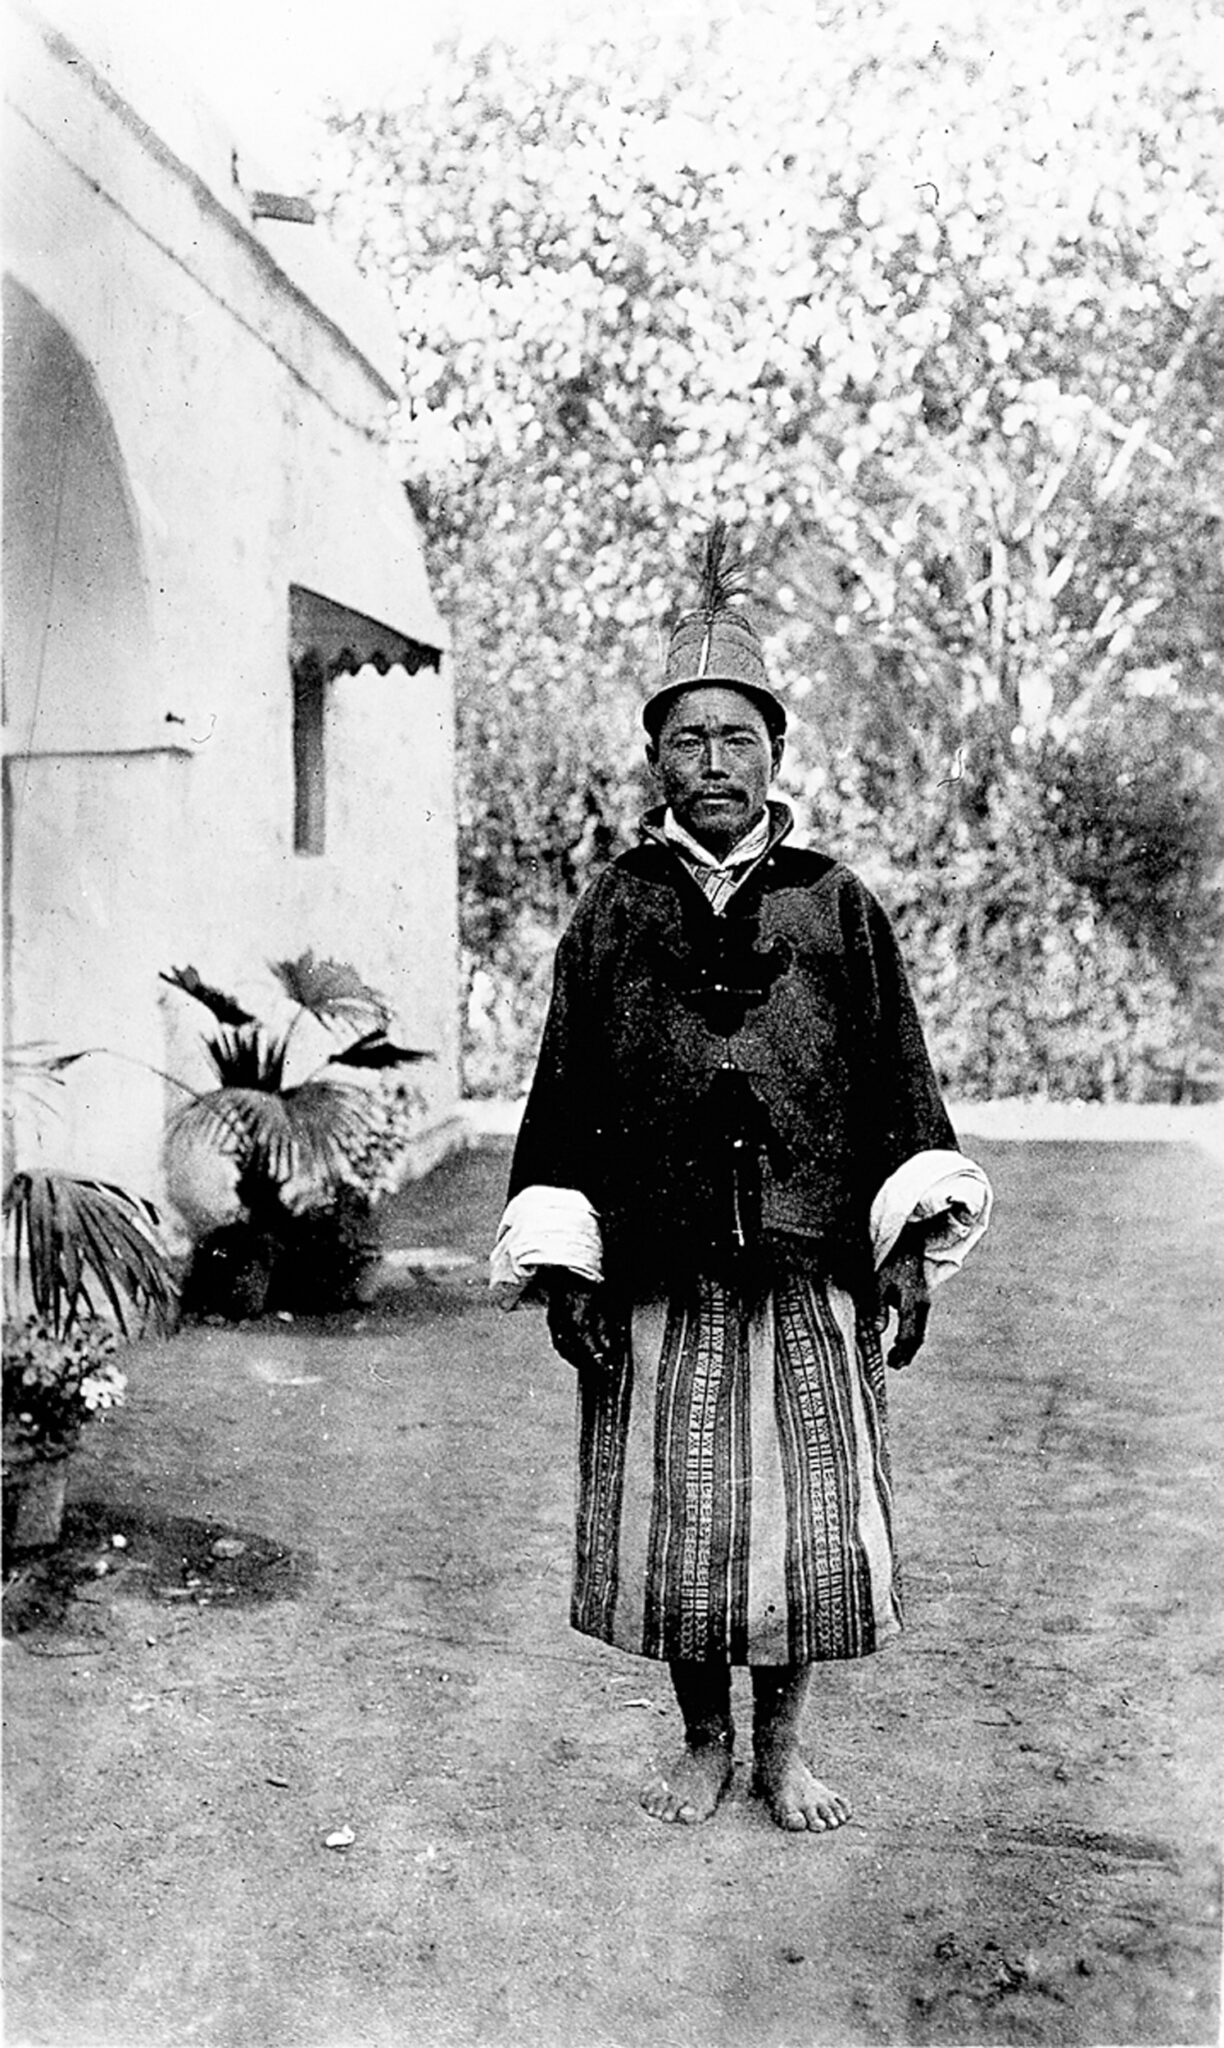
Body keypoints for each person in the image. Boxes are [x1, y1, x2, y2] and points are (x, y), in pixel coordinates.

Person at [491, 523, 992, 1832]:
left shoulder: (838, 904)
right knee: (680, 1527)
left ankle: (783, 1749)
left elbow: (898, 1074)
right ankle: (702, 1740)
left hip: (807, 1264)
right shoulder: (615, 906)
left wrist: (905, 1240)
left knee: (807, 1532)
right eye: (687, 741)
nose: (713, 766)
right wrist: (566, 1270)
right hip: (662, 1269)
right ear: (654, 757)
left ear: (778, 755)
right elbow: (565, 1089)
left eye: (739, 740)